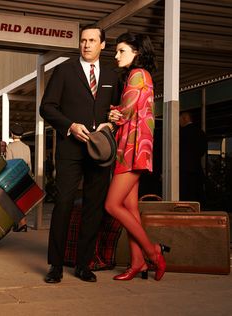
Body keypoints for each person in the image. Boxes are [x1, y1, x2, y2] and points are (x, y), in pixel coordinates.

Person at [39, 24, 120, 283]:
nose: (86, 45)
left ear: (103, 44)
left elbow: (115, 111)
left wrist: (114, 120)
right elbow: (46, 107)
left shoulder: (110, 76)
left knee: (93, 208)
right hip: (70, 149)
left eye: (92, 40)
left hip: (100, 151)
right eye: (83, 40)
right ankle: (56, 265)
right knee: (63, 205)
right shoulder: (64, 71)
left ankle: (84, 264)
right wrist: (70, 126)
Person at [104, 32, 169, 282]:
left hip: (132, 149)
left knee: (111, 205)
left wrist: (112, 114)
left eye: (122, 50)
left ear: (136, 52)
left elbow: (125, 113)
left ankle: (153, 252)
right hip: (132, 147)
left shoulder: (137, 74)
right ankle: (138, 263)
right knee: (130, 207)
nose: (116, 55)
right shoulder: (142, 75)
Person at [6, 123, 31, 232]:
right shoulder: (26, 147)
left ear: (12, 134)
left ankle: (20, 224)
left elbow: (8, 163)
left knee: (14, 201)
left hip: (13, 176)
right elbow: (29, 164)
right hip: (24, 176)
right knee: (22, 200)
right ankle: (24, 222)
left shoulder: (10, 147)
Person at [179, 111, 207, 204]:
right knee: (196, 199)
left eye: (180, 119)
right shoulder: (200, 132)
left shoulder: (179, 133)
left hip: (181, 171)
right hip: (196, 169)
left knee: (183, 198)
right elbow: (202, 151)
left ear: (185, 118)